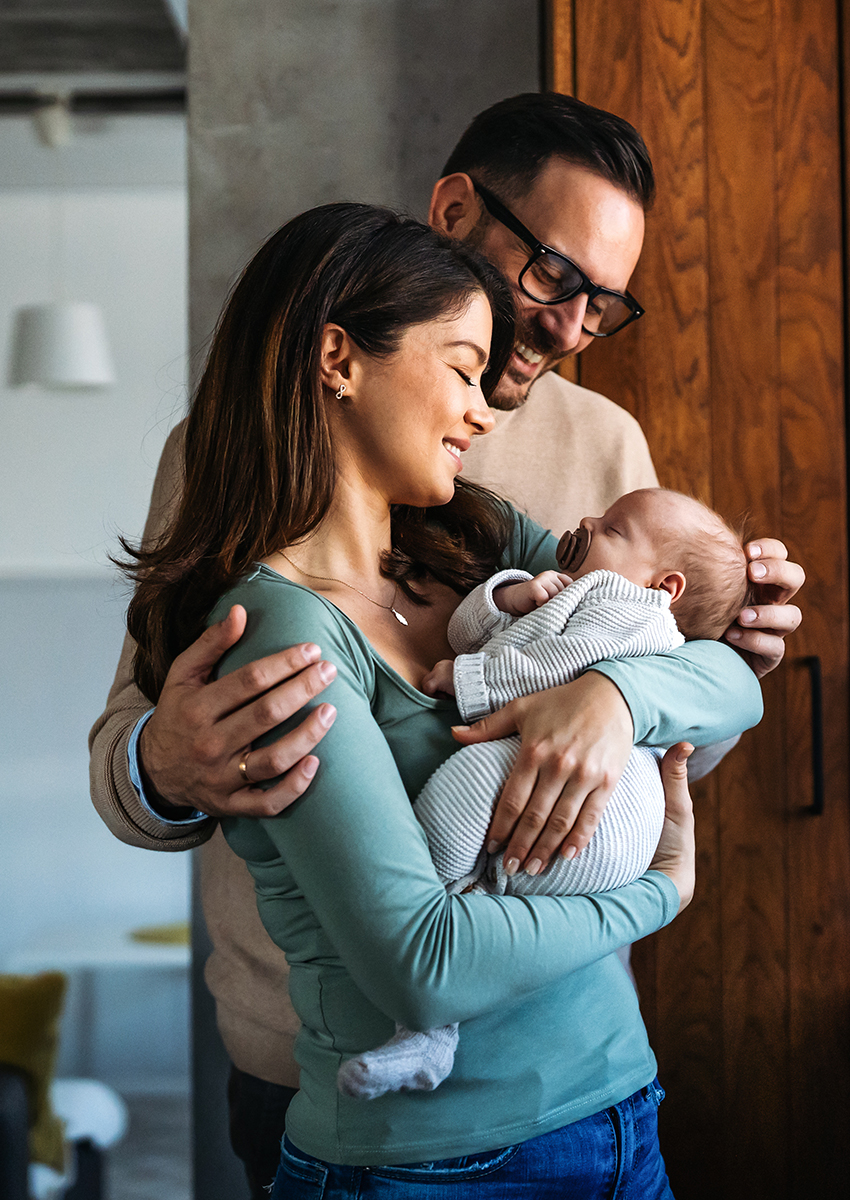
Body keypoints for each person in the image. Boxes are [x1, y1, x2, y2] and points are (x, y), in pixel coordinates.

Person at [89, 94, 803, 1193]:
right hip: (341, 1077)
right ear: (458, 208)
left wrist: (633, 695)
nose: (570, 330)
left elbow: (677, 704)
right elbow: (132, 749)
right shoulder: (248, 510)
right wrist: (167, 764)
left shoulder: (514, 494)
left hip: (600, 1074)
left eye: (604, 306)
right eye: (556, 279)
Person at [337, 488, 754, 1102]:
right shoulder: (573, 588)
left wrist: (469, 678)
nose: (587, 521)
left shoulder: (631, 608)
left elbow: (557, 674)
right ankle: (436, 1019)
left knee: (464, 783)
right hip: (602, 826)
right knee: (487, 857)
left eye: (613, 528)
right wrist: (510, 595)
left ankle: (436, 959)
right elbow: (468, 629)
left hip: (606, 811)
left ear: (665, 586)